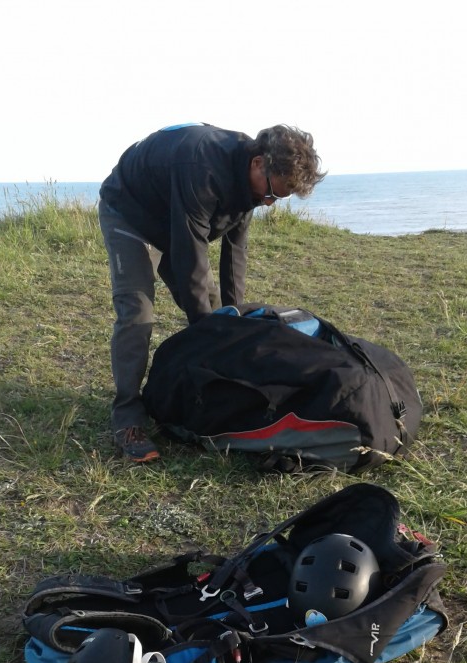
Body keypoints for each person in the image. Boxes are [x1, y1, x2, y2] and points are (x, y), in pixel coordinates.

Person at [98, 122, 325, 462]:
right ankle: (127, 417)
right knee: (138, 312)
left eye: (278, 198)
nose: (269, 203)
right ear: (258, 163)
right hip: (130, 214)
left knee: (219, 312)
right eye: (272, 194)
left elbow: (235, 254)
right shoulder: (202, 165)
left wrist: (234, 327)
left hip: (176, 222)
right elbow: (191, 260)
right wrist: (211, 334)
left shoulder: (254, 186)